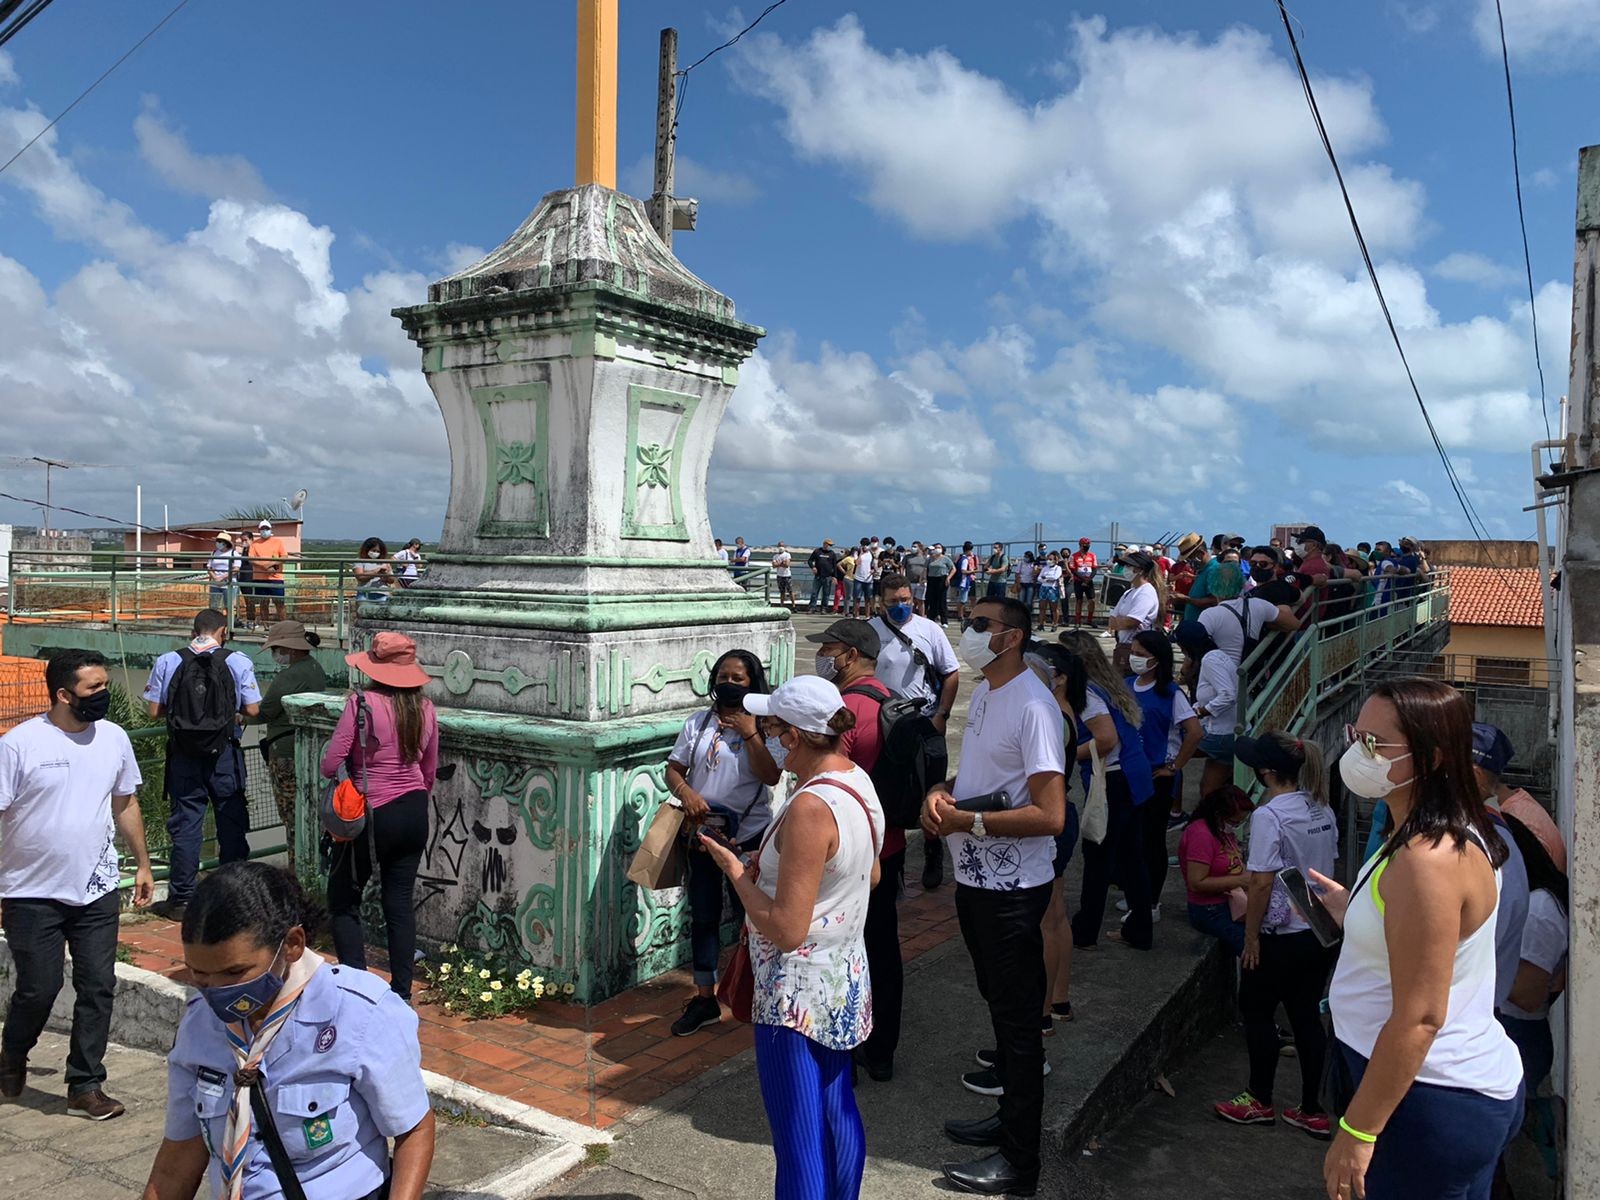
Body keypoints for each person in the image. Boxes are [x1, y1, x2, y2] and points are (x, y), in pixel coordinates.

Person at [1318, 679, 1524, 1200]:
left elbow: (1421, 1016)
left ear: (1430, 759)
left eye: (1374, 745)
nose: (1356, 754)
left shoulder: (1427, 861)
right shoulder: (1437, 831)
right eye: (1355, 735)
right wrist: (1356, 911)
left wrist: (1359, 1131)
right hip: (1429, 1088)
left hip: (1427, 1096)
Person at [142, 862, 435, 1200]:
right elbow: (176, 1162)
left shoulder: (358, 1013)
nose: (216, 991)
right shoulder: (199, 1027)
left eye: (235, 972)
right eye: (200, 975)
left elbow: (413, 1129)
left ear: (292, 945)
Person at [697, 677, 883, 1200]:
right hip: (843, 977)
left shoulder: (808, 807)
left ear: (794, 736)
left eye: (771, 728)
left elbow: (785, 929)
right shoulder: (858, 783)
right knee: (836, 1111)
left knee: (798, 1137)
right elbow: (868, 876)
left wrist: (737, 871)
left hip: (795, 993)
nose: (764, 736)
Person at [922, 595, 1066, 1197]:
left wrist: (969, 824)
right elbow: (983, 778)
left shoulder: (1033, 705)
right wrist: (943, 790)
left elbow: (1050, 813)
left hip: (1011, 888)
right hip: (976, 878)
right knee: (999, 1009)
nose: (968, 632)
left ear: (1012, 637)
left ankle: (1019, 1163)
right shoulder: (985, 694)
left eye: (980, 625)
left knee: (1018, 1025)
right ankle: (1005, 1122)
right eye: (967, 621)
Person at [0, 649, 154, 1119]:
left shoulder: (114, 738)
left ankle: (85, 1085)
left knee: (97, 986)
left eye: (106, 685)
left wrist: (142, 864)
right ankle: (11, 1056)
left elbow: (124, 802)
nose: (104, 695)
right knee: (39, 988)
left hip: (97, 886)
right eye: (94, 688)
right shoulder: (19, 745)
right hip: (29, 892)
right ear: (64, 694)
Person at [1214, 733, 1339, 1137]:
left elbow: (1262, 882)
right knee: (1306, 1018)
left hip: (1280, 933)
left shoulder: (1270, 815)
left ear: (1266, 772)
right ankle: (1312, 1108)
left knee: (1257, 1011)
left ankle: (1259, 1098)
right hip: (1317, 931)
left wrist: (1252, 938)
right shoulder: (1322, 807)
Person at [664, 649, 781, 1036]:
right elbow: (674, 768)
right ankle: (704, 998)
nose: (728, 684)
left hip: (747, 836)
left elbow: (771, 776)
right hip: (703, 836)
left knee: (757, 916)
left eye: (738, 678)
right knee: (704, 916)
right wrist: (686, 794)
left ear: (753, 683)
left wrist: (749, 732)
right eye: (723, 677)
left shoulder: (766, 726)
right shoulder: (698, 724)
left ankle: (763, 992)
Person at [320, 632, 438, 1001]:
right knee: (398, 902)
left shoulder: (361, 704)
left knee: (343, 897)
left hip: (371, 813)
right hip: (415, 809)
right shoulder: (426, 708)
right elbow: (429, 770)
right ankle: (401, 991)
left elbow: (330, 763)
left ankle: (356, 987)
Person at [809, 618, 903, 1081]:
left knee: (853, 947)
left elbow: (829, 777)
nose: (821, 655)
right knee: (885, 946)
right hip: (891, 839)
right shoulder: (888, 698)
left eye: (826, 648)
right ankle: (883, 1047)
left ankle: (857, 1037)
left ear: (847, 654)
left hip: (855, 851)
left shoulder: (846, 708)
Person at [145, 609, 263, 921]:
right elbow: (252, 708)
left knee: (186, 826)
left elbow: (154, 711)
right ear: (222, 631)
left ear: (194, 629)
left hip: (183, 754)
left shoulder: (168, 660)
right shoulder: (238, 660)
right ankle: (234, 896)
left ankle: (182, 899)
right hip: (224, 753)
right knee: (231, 821)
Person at [1060, 629, 1156, 951]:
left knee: (1098, 858)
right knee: (1131, 857)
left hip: (1114, 780)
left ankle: (1085, 931)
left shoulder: (1085, 694)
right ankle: (1140, 928)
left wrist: (1068, 751)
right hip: (1134, 775)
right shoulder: (1109, 684)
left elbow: (1105, 739)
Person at [869, 574, 961, 891]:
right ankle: (894, 861)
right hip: (887, 725)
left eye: (905, 600)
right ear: (880, 601)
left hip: (924, 721)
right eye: (893, 601)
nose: (900, 606)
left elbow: (950, 673)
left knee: (930, 789)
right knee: (890, 793)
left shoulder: (929, 630)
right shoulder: (870, 631)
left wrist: (942, 715)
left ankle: (932, 852)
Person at [1127, 630, 1202, 895]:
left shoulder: (1170, 693)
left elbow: (1195, 732)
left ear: (1157, 659)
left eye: (1141, 654)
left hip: (1158, 775)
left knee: (1152, 839)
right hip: (1130, 772)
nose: (1134, 658)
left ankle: (1151, 900)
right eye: (1133, 652)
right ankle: (1137, 894)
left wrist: (1174, 767)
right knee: (1132, 839)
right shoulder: (1126, 685)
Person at [246, 621, 327, 865]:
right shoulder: (315, 668)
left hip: (284, 753)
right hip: (305, 749)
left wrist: (240, 714)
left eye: (277, 648)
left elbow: (264, 712)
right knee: (305, 815)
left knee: (291, 817)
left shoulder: (290, 676)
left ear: (289, 649)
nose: (275, 654)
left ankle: (297, 870)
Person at [1179, 784, 1250, 955]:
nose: (1237, 826)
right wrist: (1241, 880)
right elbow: (1196, 883)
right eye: (1234, 822)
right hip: (1209, 909)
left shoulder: (1222, 831)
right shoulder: (1201, 835)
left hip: (1232, 901)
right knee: (1249, 947)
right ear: (1219, 815)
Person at [1173, 620, 1238, 801]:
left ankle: (1174, 812)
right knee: (1208, 791)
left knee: (1170, 753)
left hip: (1220, 735)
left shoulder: (1211, 661)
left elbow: (1228, 695)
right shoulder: (1217, 656)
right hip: (1228, 733)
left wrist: (1202, 712)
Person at [1199, 565, 1301, 664]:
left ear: (1212, 586)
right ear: (1241, 583)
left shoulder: (1208, 615)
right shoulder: (1257, 604)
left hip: (1221, 673)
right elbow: (1294, 624)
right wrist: (1263, 623)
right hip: (1249, 672)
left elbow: (1196, 649)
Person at [1105, 549, 1163, 671]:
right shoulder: (1129, 592)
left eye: (1128, 565)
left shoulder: (1146, 592)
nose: (1125, 568)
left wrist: (1120, 621)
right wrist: (1121, 621)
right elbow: (1111, 622)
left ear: (1139, 569)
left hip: (1137, 649)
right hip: (1123, 647)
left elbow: (1132, 622)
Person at [249, 519, 290, 625]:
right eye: (262, 529)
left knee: (279, 603)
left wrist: (270, 564)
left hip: (276, 578)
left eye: (266, 528)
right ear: (259, 530)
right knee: (263, 604)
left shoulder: (278, 542)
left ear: (270, 529)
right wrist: (264, 566)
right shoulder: (254, 544)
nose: (264, 530)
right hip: (259, 578)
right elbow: (251, 559)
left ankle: (284, 626)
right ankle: (266, 627)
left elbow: (284, 557)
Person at [206, 532, 239, 622]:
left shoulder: (233, 553)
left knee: (229, 606)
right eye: (217, 541)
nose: (217, 543)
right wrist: (215, 577)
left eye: (220, 541)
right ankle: (214, 625)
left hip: (229, 583)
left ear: (225, 543)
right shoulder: (213, 553)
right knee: (213, 606)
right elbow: (209, 567)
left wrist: (222, 577)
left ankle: (229, 625)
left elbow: (236, 569)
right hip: (215, 584)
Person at [353, 536, 394, 603]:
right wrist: (376, 571)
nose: (376, 553)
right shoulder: (359, 561)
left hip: (382, 594)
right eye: (373, 550)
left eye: (378, 551)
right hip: (365, 593)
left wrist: (385, 575)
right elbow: (360, 577)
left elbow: (392, 580)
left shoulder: (385, 562)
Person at [1068, 538, 1098, 627]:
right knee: (1079, 600)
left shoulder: (1092, 555)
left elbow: (1095, 569)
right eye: (1085, 545)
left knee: (1092, 600)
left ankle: (1090, 620)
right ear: (1080, 545)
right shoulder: (1074, 556)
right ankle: (1077, 621)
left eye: (1088, 545)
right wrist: (1082, 579)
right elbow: (1073, 569)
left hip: (1089, 581)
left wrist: (1088, 579)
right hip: (1078, 581)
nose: (1086, 547)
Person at [807, 539, 840, 614]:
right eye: (828, 545)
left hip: (828, 577)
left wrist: (835, 576)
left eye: (830, 545)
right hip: (818, 576)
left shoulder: (832, 553)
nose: (829, 546)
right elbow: (810, 561)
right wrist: (813, 567)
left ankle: (824, 608)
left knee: (826, 594)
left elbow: (834, 566)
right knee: (814, 593)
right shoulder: (817, 551)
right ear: (824, 544)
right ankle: (812, 607)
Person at [925, 543, 953, 626]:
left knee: (942, 600)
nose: (937, 549)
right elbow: (926, 569)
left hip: (942, 578)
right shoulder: (930, 559)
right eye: (935, 547)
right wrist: (923, 578)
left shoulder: (945, 559)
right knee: (932, 599)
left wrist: (948, 578)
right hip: (931, 579)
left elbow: (953, 568)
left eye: (939, 547)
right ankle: (932, 619)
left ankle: (944, 621)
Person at [235, 530, 258, 629]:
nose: (243, 542)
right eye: (242, 540)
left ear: (251, 540)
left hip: (250, 578)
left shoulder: (254, 550)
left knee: (250, 601)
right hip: (243, 577)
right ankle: (249, 620)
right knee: (247, 601)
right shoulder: (244, 550)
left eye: (245, 540)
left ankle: (252, 621)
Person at [1036, 552, 1064, 633]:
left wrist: (1045, 578)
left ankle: (1055, 624)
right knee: (1042, 607)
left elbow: (1055, 577)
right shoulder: (1045, 568)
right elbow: (1039, 578)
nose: (1049, 560)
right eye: (1048, 559)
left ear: (1055, 560)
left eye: (1051, 559)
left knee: (1054, 608)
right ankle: (1041, 624)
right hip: (1043, 588)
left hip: (1053, 589)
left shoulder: (1058, 568)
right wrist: (1047, 579)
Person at [953, 542, 980, 623]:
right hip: (964, 581)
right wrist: (972, 571)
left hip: (969, 580)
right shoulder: (964, 559)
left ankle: (964, 615)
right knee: (962, 600)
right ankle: (961, 615)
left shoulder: (972, 557)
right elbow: (963, 571)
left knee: (968, 598)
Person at [850, 538, 876, 618]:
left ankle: (867, 615)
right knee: (857, 598)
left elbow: (873, 565)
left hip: (868, 579)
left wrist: (873, 570)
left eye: (867, 545)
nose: (866, 547)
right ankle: (856, 615)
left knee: (868, 598)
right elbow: (857, 563)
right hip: (858, 578)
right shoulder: (857, 553)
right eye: (864, 545)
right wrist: (860, 553)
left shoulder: (871, 553)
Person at [904, 541, 930, 615]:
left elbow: (927, 569)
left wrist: (924, 579)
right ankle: (909, 615)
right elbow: (902, 567)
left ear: (919, 548)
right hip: (910, 582)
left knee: (921, 601)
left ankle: (921, 616)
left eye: (915, 547)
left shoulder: (925, 558)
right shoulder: (907, 557)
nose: (913, 548)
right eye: (912, 546)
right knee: (910, 600)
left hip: (921, 582)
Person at [771, 540, 794, 606]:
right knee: (782, 592)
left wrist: (778, 563)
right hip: (779, 575)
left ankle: (793, 605)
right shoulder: (775, 556)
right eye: (779, 546)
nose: (781, 547)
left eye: (782, 546)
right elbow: (774, 565)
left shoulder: (787, 554)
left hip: (787, 575)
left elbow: (787, 565)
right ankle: (782, 605)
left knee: (790, 591)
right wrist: (782, 563)